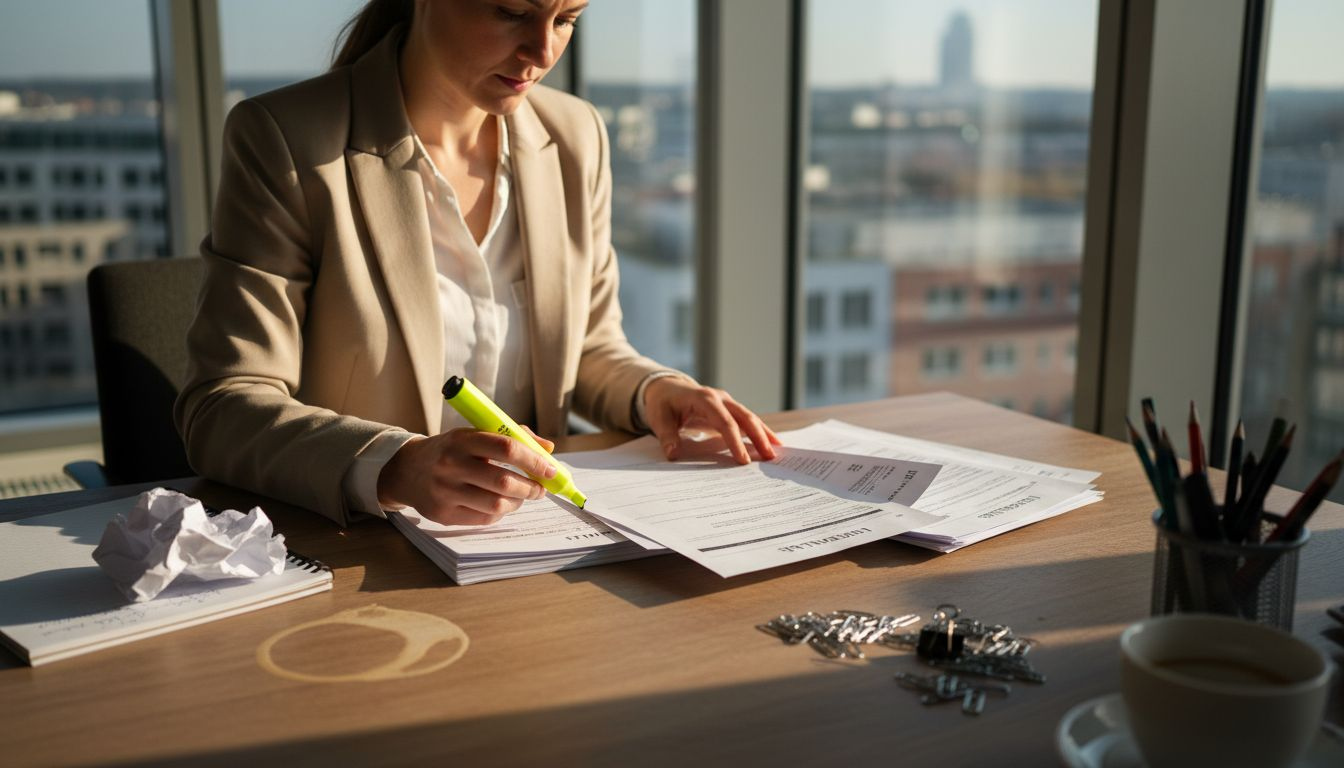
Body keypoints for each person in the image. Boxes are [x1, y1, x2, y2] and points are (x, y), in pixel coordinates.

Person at [174, 0, 780, 528]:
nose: (541, 51)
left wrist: (653, 391)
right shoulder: (288, 140)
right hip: (360, 555)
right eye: (511, 12)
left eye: (566, 18)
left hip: (532, 546)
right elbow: (223, 407)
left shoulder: (575, 135)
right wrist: (394, 465)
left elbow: (587, 346)